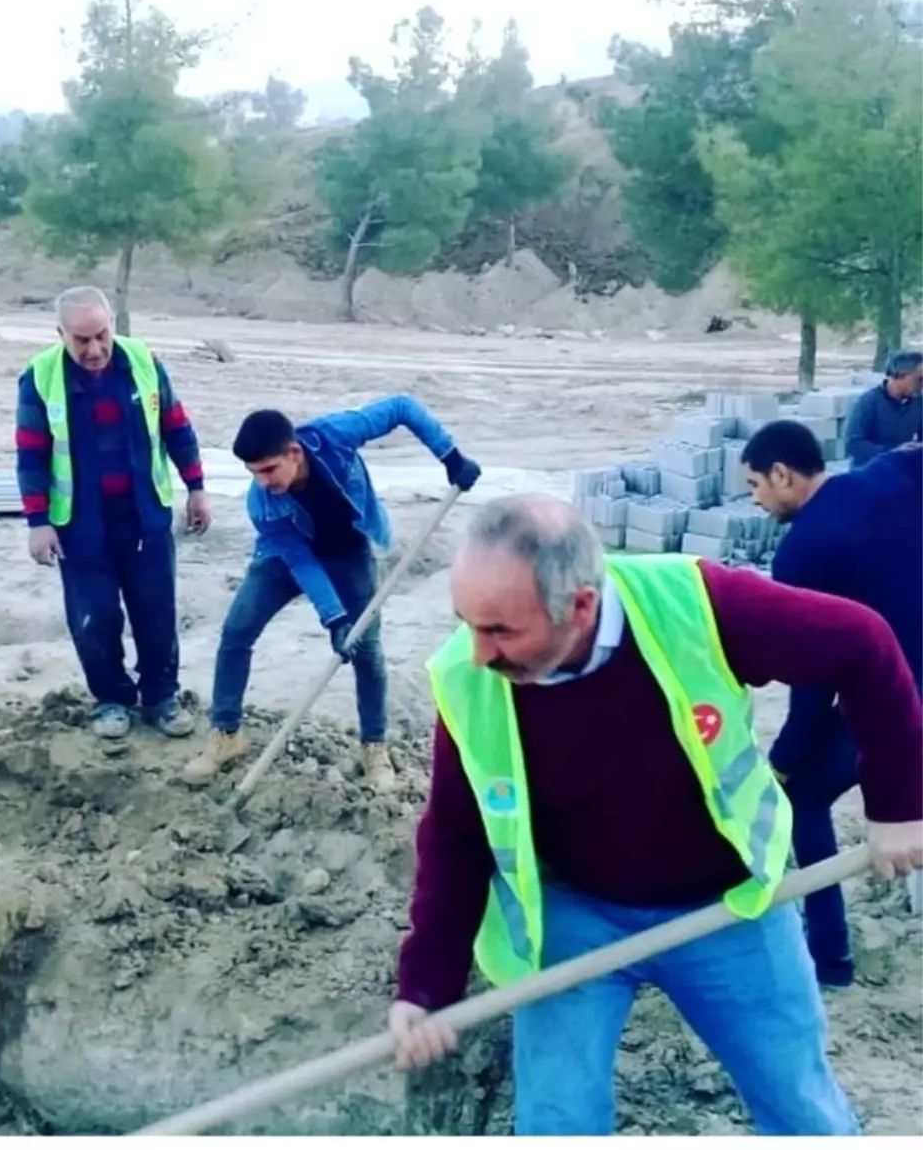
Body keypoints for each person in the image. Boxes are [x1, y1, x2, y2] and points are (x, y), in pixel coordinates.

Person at [388, 493, 923, 1135]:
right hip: (577, 918)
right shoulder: (471, 677)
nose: (477, 651)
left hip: (729, 909)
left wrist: (897, 804)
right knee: (556, 1124)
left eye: (500, 630)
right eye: (468, 623)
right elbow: (456, 835)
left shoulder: (695, 606)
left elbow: (862, 644)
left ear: (580, 606)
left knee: (802, 1109)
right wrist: (426, 986)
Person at [185, 400, 482, 789]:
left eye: (269, 470)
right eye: (253, 473)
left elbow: (402, 407)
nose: (263, 482)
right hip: (285, 556)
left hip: (349, 551)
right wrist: (334, 618)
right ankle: (226, 734)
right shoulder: (262, 503)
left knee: (368, 649)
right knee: (237, 631)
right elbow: (301, 562)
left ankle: (373, 745)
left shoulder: (335, 435)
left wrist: (450, 456)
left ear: (294, 452)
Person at [743, 418, 923, 987]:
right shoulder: (894, 471)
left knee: (803, 799)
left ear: (783, 474)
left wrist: (787, 756)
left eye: (755, 486)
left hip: (902, 699)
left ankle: (831, 961)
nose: (756, 500)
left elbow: (814, 684)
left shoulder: (800, 554)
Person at [15, 286, 210, 744]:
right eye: (81, 339)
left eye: (101, 335)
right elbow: (31, 455)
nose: (95, 348)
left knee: (156, 611)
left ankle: (161, 696)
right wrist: (37, 521)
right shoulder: (40, 378)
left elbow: (177, 427)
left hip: (145, 516)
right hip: (80, 525)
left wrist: (196, 487)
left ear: (112, 326)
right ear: (60, 333)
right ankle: (112, 700)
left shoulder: (143, 361)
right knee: (95, 616)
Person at [843, 350, 923, 464]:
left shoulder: (918, 402)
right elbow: (853, 444)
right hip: (869, 472)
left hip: (900, 470)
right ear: (901, 375)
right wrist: (893, 451)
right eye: (920, 379)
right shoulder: (868, 402)